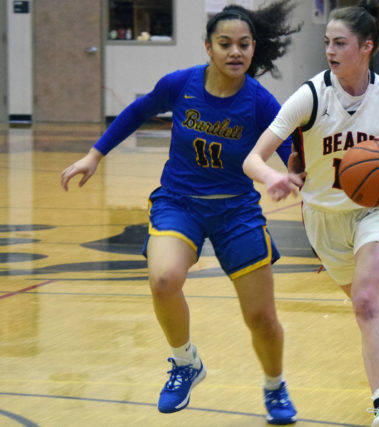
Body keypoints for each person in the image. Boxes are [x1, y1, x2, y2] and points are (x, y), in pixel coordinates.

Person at [60, 2, 301, 423]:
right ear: (208, 47)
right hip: (178, 201)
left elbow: (289, 152)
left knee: (261, 316)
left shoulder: (260, 102)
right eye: (225, 44)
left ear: (253, 48)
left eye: (244, 45)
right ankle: (185, 362)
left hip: (236, 209)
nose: (235, 52)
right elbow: (138, 110)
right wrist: (94, 156)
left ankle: (274, 385)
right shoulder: (181, 84)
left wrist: (297, 177)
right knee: (163, 279)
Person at [243, 1, 379, 426]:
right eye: (326, 43)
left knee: (366, 303)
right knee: (373, 304)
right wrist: (273, 178)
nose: (329, 51)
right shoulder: (311, 96)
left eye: (339, 43)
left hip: (375, 210)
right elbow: (252, 159)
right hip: (322, 219)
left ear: (366, 47)